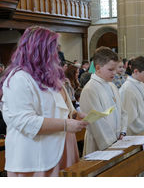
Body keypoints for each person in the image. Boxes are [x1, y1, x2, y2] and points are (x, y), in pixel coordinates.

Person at [0, 26, 88, 177]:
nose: (56, 55)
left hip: (61, 146)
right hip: (36, 155)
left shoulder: (48, 76)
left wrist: (74, 115)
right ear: (38, 50)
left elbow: (58, 108)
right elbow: (25, 121)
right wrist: (66, 124)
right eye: (52, 49)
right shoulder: (19, 78)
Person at [80, 46, 127, 155]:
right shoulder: (90, 89)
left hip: (118, 140)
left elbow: (122, 112)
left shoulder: (112, 85)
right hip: (100, 144)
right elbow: (96, 122)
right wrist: (111, 144)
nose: (114, 73)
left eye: (115, 69)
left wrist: (123, 131)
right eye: (110, 69)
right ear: (97, 68)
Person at [119, 56, 144, 135]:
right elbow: (131, 118)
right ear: (136, 71)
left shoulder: (141, 84)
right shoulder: (127, 89)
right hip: (136, 133)